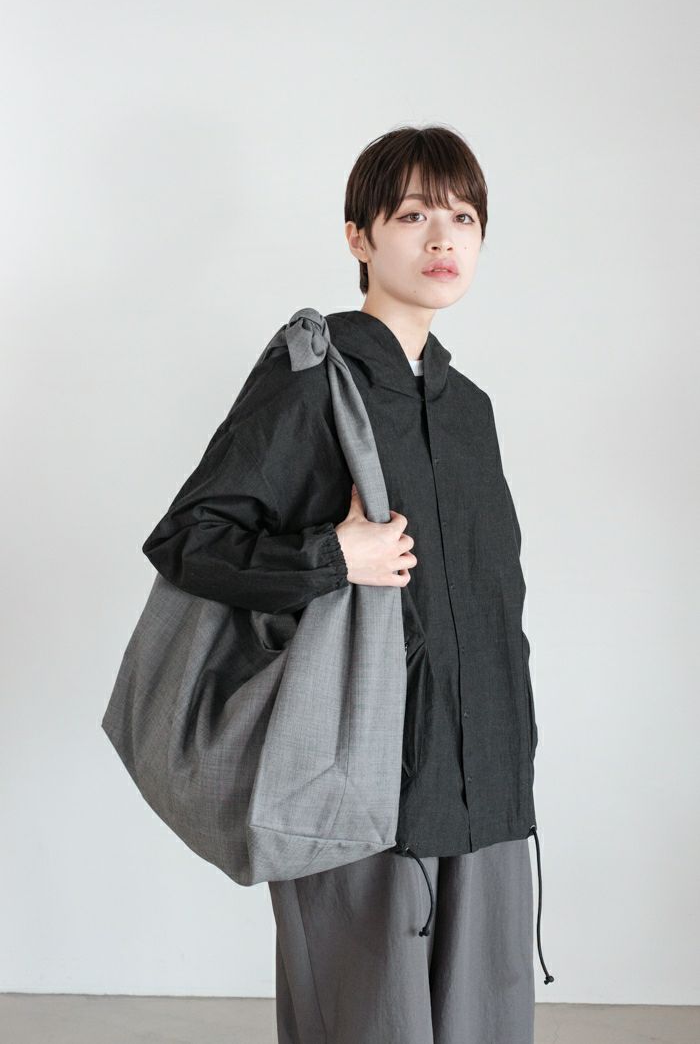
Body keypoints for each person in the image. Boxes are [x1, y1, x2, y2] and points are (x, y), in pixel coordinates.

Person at [142, 124, 554, 1044]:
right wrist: (334, 557)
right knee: (368, 1026)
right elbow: (190, 540)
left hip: (487, 783)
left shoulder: (470, 410)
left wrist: (516, 753)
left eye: (463, 218)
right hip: (360, 781)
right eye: (412, 216)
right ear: (358, 237)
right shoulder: (312, 384)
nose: (443, 238)